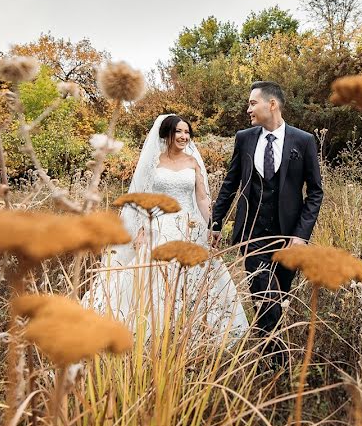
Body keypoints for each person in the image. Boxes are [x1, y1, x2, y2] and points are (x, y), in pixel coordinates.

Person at [89, 114, 249, 343]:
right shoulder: (153, 162)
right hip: (158, 227)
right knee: (155, 279)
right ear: (167, 134)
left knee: (194, 277)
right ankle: (153, 331)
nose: (184, 137)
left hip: (189, 226)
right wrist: (142, 229)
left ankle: (194, 331)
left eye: (187, 132)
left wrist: (212, 225)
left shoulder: (193, 162)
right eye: (179, 132)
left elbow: (202, 199)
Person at [210, 81, 323, 369]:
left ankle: (264, 361)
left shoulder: (303, 140)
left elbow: (316, 192)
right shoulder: (244, 138)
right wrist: (216, 221)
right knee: (265, 294)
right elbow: (230, 183)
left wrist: (301, 236)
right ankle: (280, 364)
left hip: (289, 237)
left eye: (252, 103)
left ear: (271, 104)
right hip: (252, 235)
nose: (248, 109)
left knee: (277, 299)